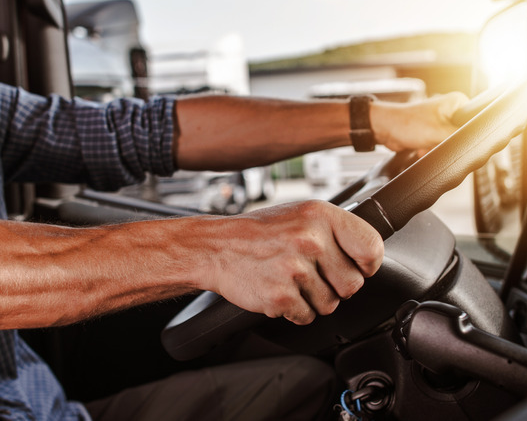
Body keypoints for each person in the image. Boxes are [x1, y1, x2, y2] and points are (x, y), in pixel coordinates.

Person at [0, 83, 468, 420]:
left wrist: (381, 121)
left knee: (313, 388)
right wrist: (214, 248)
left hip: (47, 407)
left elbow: (132, 132)